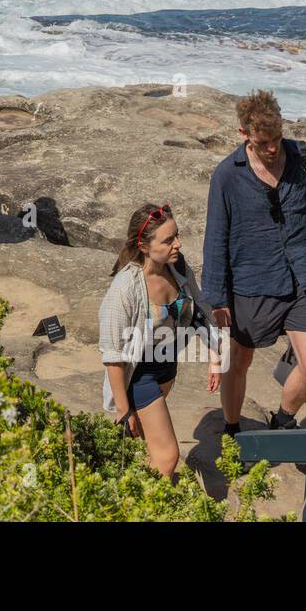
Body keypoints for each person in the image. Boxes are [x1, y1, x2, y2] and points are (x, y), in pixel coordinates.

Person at [201, 89, 306, 434]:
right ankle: (232, 428)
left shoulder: (304, 157)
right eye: (263, 142)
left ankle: (283, 420)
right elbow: (215, 238)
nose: (273, 148)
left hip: (301, 278)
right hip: (251, 282)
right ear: (244, 135)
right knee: (239, 361)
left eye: (277, 138)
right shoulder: (226, 176)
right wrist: (216, 299)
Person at [99, 202, 222, 477]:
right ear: (144, 246)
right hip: (139, 375)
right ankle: (148, 505)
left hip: (167, 367)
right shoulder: (125, 288)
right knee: (168, 456)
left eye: (176, 235)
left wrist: (215, 358)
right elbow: (113, 354)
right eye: (168, 240)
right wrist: (123, 409)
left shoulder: (177, 268)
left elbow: (200, 308)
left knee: (143, 439)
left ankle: (133, 486)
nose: (177, 244)